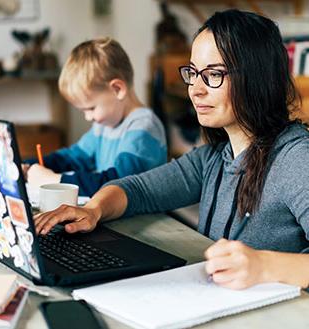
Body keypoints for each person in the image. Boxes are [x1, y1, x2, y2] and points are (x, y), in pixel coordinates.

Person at [33, 10, 309, 290]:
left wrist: (263, 266)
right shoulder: (214, 157)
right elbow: (139, 189)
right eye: (193, 73)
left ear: (257, 77)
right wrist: (93, 210)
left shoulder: (296, 159)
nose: (195, 90)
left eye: (213, 74)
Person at [24, 38, 167, 196]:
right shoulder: (105, 125)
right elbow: (72, 158)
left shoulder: (143, 128)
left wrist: (55, 180)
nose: (88, 117)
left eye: (91, 108)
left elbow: (116, 184)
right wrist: (29, 166)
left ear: (117, 89)